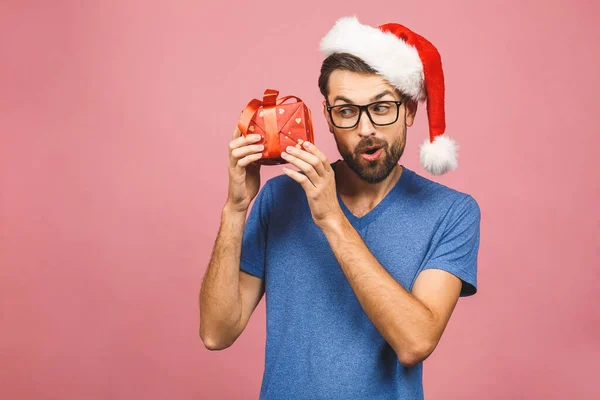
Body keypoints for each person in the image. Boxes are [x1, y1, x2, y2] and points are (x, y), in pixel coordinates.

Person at [199, 16, 481, 400]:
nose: (366, 128)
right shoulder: (280, 198)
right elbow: (216, 333)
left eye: (382, 107)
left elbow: (415, 341)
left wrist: (331, 218)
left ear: (410, 111)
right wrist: (235, 209)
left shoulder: (451, 212)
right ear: (328, 119)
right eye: (347, 111)